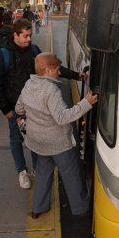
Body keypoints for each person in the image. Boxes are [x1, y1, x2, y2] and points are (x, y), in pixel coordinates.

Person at [0, 19, 86, 189]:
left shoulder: (34, 51)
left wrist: (76, 76)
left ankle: (37, 168)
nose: (28, 39)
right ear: (15, 35)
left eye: (30, 36)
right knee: (16, 139)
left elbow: (52, 67)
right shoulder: (3, 54)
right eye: (25, 36)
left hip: (34, 107)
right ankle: (22, 171)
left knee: (34, 138)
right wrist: (6, 109)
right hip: (15, 108)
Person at [16, 54, 97, 218]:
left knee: (43, 174)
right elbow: (62, 117)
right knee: (71, 174)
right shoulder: (51, 90)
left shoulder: (28, 84)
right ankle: (80, 208)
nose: (59, 73)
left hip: (38, 142)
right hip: (58, 143)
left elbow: (19, 109)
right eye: (57, 69)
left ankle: (39, 207)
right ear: (47, 70)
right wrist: (86, 103)